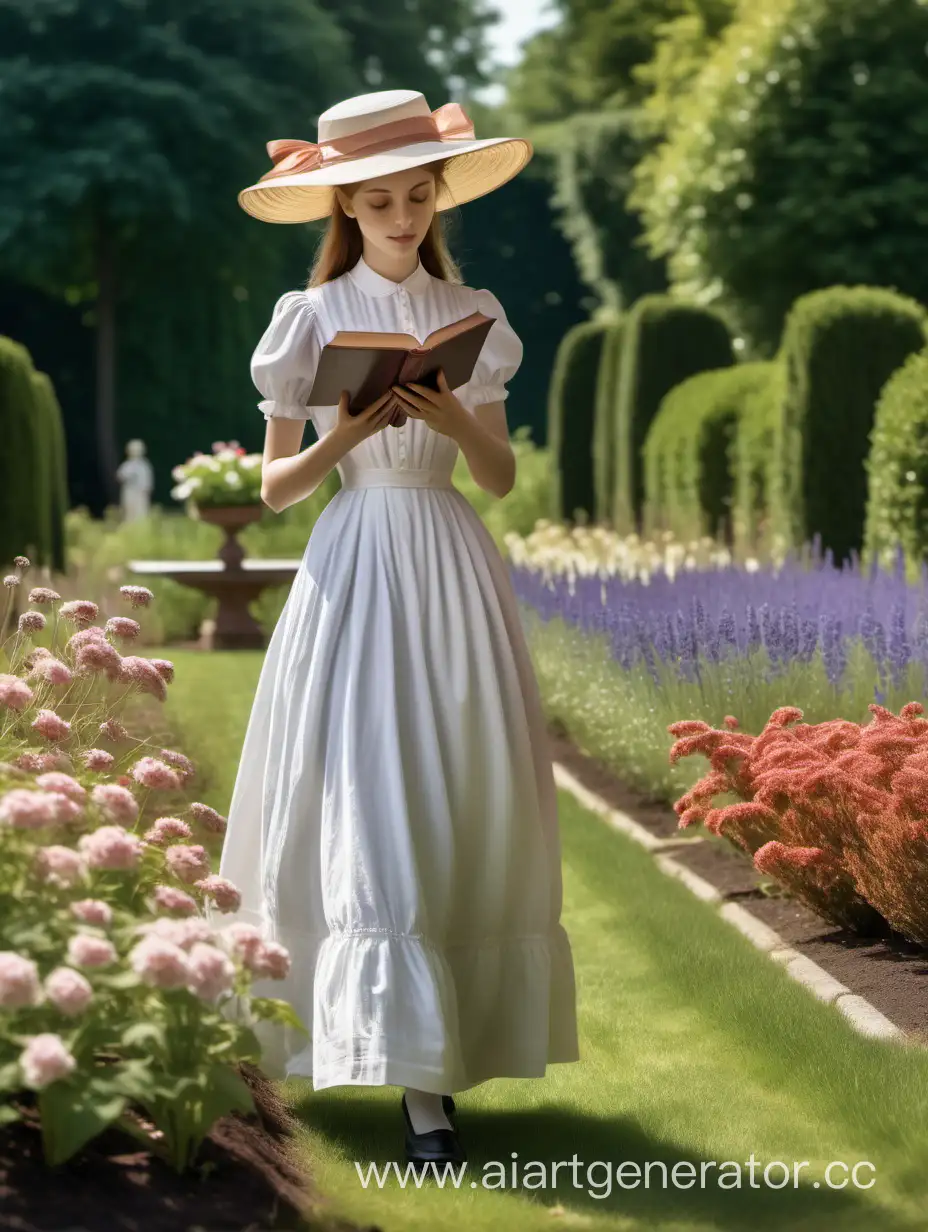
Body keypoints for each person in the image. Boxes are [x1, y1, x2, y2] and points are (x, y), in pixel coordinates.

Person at [217, 88, 580, 1167]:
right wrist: (353, 432)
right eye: (378, 199)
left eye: (418, 196)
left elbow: (502, 478)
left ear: (435, 197)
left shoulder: (474, 311)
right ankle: (398, 1080)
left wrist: (454, 415)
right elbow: (278, 487)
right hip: (356, 559)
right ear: (344, 203)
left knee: (458, 788)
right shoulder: (309, 318)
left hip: (451, 561)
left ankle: (437, 1065)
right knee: (364, 792)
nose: (402, 215)